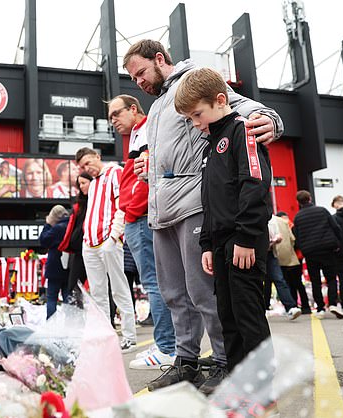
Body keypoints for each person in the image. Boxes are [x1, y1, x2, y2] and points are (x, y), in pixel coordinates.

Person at [123, 40, 283, 392]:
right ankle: (187, 361)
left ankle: (228, 360)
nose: (138, 82)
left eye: (140, 73)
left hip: (194, 204)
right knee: (173, 294)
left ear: (160, 59)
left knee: (204, 293)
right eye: (133, 78)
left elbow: (246, 108)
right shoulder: (162, 102)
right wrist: (147, 164)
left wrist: (271, 120)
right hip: (162, 208)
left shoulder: (194, 81)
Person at [174, 67, 273, 394]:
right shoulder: (209, 147)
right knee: (227, 315)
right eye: (189, 119)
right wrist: (206, 243)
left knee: (248, 316)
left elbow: (255, 185)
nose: (195, 123)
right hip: (219, 243)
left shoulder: (243, 132)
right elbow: (209, 200)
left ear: (220, 100)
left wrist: (245, 237)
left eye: (197, 114)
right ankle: (236, 379)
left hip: (243, 242)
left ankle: (261, 388)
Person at [108, 94, 177, 370]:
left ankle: (166, 347)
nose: (112, 120)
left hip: (142, 216)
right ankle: (169, 346)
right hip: (139, 215)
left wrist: (131, 211)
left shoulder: (147, 129)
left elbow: (147, 175)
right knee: (157, 282)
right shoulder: (137, 134)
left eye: (116, 114)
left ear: (133, 109)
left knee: (155, 283)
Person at [75, 147, 137, 352]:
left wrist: (114, 236)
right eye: (82, 166)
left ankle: (129, 336)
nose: (86, 168)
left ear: (97, 157)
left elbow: (122, 206)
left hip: (107, 240)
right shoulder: (93, 184)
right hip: (90, 242)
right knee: (99, 293)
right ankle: (106, 336)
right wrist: (86, 239)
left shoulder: (114, 172)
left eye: (88, 163)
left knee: (119, 288)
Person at [293, 190, 343, 318]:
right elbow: (335, 227)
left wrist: (303, 249)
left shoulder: (298, 217)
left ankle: (320, 308)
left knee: (315, 281)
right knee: (331, 278)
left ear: (298, 202)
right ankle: (333, 304)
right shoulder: (322, 210)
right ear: (310, 198)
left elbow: (296, 237)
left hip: (310, 253)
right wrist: (337, 243)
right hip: (327, 249)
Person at [59, 172, 92, 302]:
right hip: (79, 250)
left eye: (84, 183)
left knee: (100, 286)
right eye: (80, 184)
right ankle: (77, 318)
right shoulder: (79, 204)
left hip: (92, 246)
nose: (82, 187)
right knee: (73, 286)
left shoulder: (97, 201)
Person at [274, 211, 311, 314]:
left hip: (282, 259)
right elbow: (293, 240)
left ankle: (294, 305)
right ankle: (305, 306)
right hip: (294, 258)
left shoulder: (278, 225)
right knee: (298, 283)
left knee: (289, 283)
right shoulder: (290, 225)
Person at [265, 216, 302, 319]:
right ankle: (264, 308)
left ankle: (290, 307)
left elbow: (279, 235)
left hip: (270, 253)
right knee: (267, 282)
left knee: (278, 280)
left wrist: (276, 239)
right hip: (258, 253)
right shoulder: (276, 219)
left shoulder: (272, 219)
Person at [39, 205, 70, 319]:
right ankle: (70, 325)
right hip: (69, 268)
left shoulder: (57, 228)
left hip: (54, 268)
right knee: (68, 298)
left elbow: (43, 240)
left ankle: (52, 327)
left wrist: (47, 224)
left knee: (52, 298)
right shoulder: (71, 226)